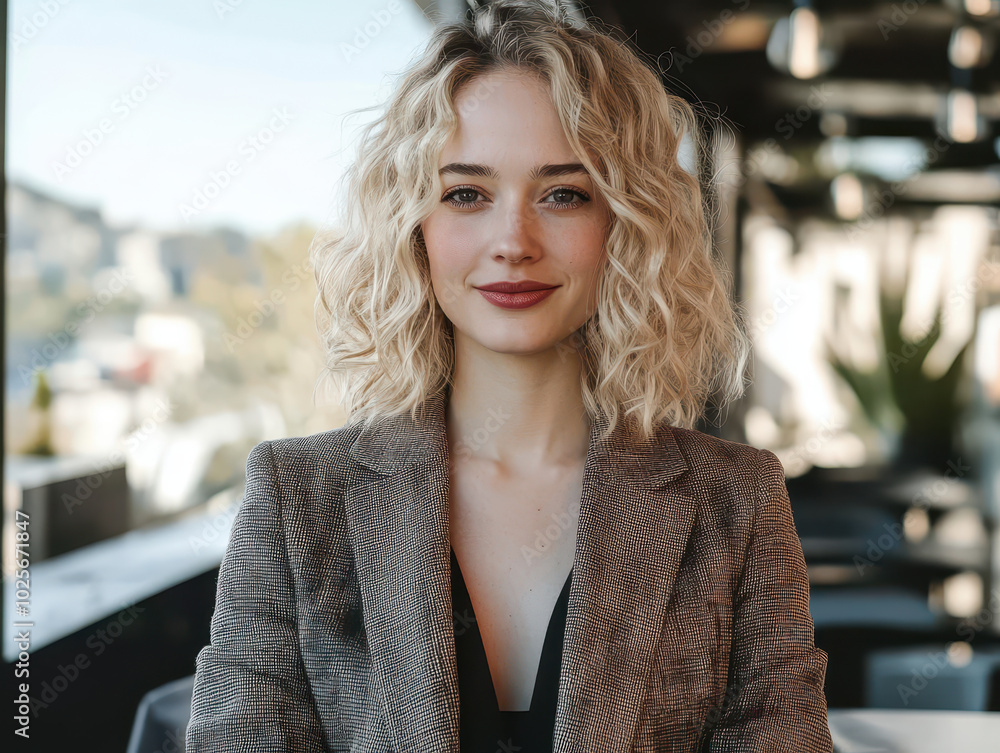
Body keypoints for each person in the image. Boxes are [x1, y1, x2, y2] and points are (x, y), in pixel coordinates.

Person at [186, 1, 833, 751]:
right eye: (466, 193)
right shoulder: (297, 499)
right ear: (414, 224)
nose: (513, 241)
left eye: (564, 193)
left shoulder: (737, 501)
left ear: (624, 221)